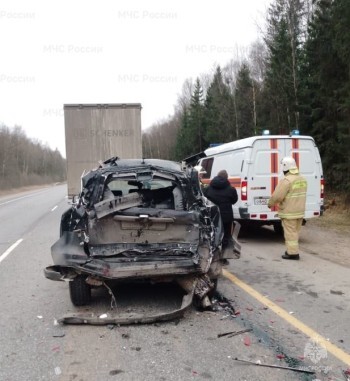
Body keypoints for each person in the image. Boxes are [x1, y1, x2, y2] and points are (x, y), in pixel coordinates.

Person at [268, 157, 307, 260]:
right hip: (300, 211)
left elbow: (277, 196)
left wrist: (270, 203)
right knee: (295, 233)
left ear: (285, 167)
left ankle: (292, 253)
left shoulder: (287, 181)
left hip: (289, 212)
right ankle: (292, 250)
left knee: (290, 234)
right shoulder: (302, 179)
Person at [204, 169, 238, 248]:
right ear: (227, 177)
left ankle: (212, 248)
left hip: (212, 215)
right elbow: (234, 200)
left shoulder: (208, 188)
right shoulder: (231, 189)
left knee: (212, 232)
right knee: (226, 234)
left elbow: (205, 200)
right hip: (226, 216)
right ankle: (224, 251)